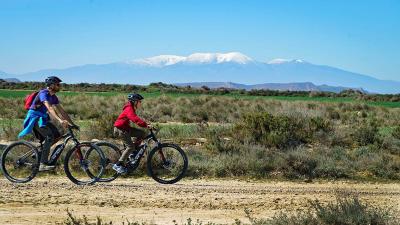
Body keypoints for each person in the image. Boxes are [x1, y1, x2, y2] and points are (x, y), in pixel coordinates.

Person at [18, 76, 76, 171]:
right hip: (34, 118)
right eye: (57, 84)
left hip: (42, 119)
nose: (59, 86)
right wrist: (60, 120)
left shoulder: (53, 97)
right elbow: (50, 108)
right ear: (51, 85)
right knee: (49, 137)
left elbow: (62, 111)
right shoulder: (43, 93)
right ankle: (42, 164)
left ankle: (40, 152)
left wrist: (72, 124)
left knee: (57, 135)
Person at [113, 93, 152, 174]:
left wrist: (145, 124)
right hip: (120, 129)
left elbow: (135, 119)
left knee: (142, 133)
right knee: (130, 147)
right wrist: (145, 124)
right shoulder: (129, 108)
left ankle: (133, 153)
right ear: (135, 102)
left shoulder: (131, 107)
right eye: (139, 101)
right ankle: (118, 165)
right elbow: (134, 118)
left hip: (125, 128)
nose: (140, 103)